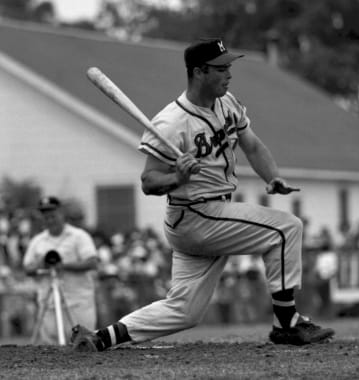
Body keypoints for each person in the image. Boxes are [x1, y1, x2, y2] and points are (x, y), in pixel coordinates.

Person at [71, 38, 335, 351]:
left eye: (229, 67)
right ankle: (286, 323)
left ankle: (100, 339)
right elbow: (149, 181)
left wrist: (272, 176)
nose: (229, 74)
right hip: (195, 215)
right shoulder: (171, 123)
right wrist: (176, 176)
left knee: (185, 311)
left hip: (210, 215)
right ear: (199, 72)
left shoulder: (226, 103)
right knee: (286, 228)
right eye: (221, 68)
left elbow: (251, 144)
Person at [23, 196, 99, 344]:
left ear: (61, 213)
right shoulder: (37, 241)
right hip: (48, 302)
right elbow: (27, 268)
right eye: (45, 216)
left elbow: (92, 262)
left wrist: (63, 265)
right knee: (51, 344)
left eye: (53, 215)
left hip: (78, 301)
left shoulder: (79, 236)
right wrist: (41, 265)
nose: (49, 220)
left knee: (83, 343)